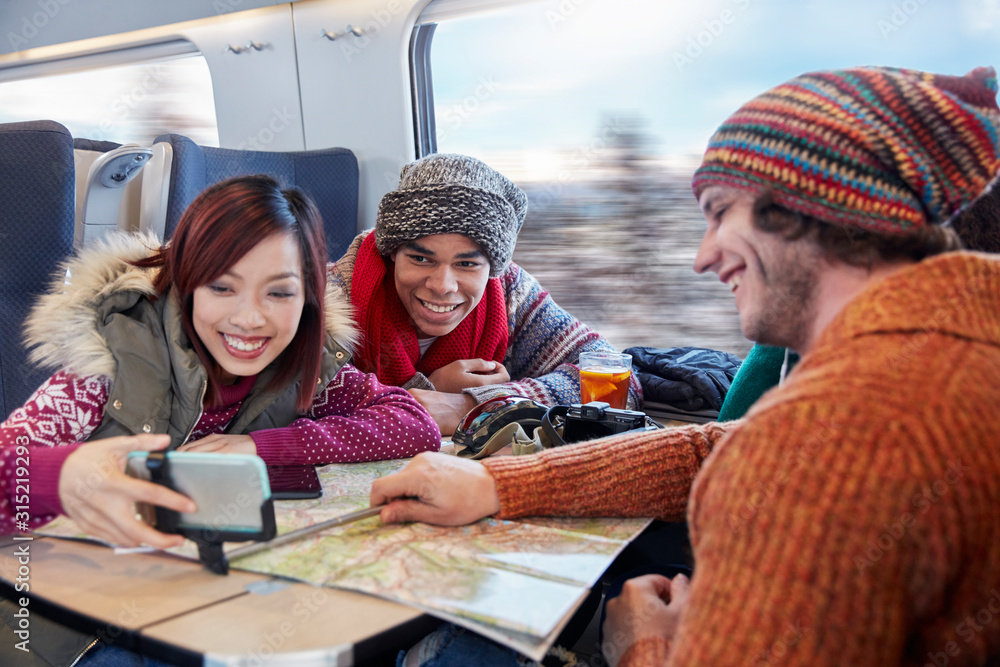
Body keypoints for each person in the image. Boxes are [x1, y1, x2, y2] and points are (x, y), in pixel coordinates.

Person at [370, 66, 1000, 666]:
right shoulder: (950, 343)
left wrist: (641, 645)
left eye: (722, 212)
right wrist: (497, 486)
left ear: (812, 213)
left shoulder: (849, 422)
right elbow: (717, 449)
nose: (702, 257)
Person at [0, 175, 440, 549]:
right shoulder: (111, 364)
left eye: (280, 292)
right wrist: (56, 478)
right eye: (221, 288)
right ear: (186, 285)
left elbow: (413, 422)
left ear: (308, 298)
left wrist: (261, 447)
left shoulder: (303, 367)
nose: (250, 319)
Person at [329, 153, 642, 433]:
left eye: (466, 264)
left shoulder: (511, 294)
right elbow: (300, 404)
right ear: (392, 252)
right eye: (421, 259)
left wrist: (475, 405)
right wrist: (429, 389)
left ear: (492, 268)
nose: (442, 285)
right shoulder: (333, 297)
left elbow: (616, 382)